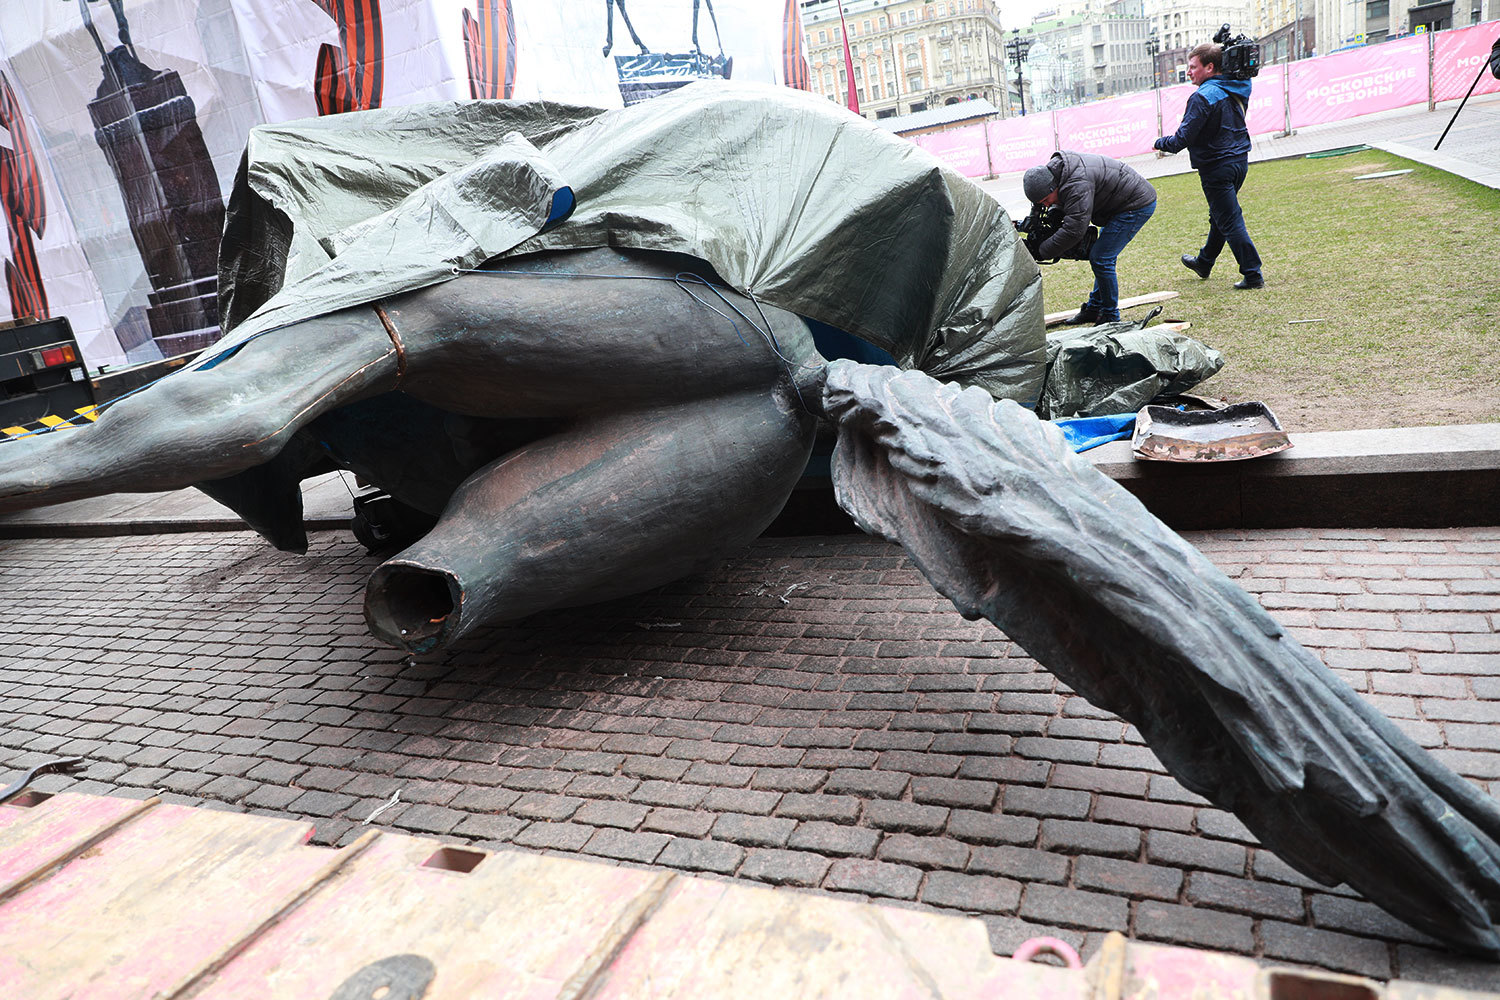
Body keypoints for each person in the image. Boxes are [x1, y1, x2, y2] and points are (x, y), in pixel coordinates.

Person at [1154, 41, 1263, 289]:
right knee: (1221, 217)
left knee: (1230, 220)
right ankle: (1204, 262)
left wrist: (1159, 142)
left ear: (1210, 67)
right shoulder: (1238, 85)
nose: (1189, 71)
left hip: (1216, 168)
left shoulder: (1201, 97)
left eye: (1193, 67)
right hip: (1239, 163)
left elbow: (1181, 139)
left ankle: (1253, 274)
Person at [1021, 150, 1157, 326]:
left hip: (1135, 205)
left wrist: (1042, 251)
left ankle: (1110, 316)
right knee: (1103, 258)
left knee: (1101, 258)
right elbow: (1061, 202)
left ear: (1053, 187)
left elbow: (1074, 229)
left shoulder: (1076, 184)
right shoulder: (1056, 175)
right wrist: (1053, 213)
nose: (1046, 205)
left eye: (1047, 200)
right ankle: (1094, 310)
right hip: (1116, 204)